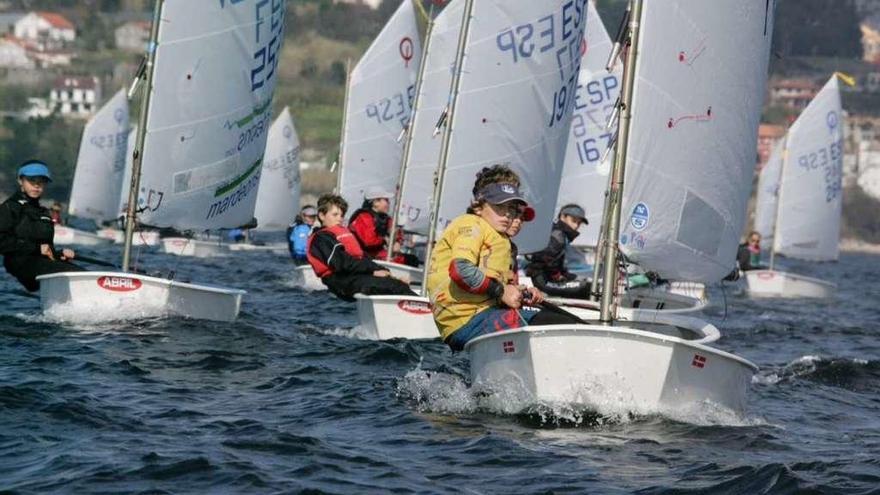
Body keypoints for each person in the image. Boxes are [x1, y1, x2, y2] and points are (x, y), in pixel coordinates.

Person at [426, 165, 579, 352]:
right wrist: (501, 291)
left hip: (483, 316)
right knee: (555, 324)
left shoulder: (500, 238)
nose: (507, 215)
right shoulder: (471, 224)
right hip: (467, 321)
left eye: (511, 209)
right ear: (478, 207)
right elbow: (461, 270)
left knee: (567, 323)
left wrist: (520, 293)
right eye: (500, 207)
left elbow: (496, 287)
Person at [306, 193, 416, 301]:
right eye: (335, 215)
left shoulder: (340, 232)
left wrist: (386, 273)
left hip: (353, 277)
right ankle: (426, 313)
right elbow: (343, 263)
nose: (340, 219)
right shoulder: (321, 238)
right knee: (396, 287)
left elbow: (363, 258)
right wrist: (372, 271)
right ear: (321, 215)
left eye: (341, 215)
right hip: (341, 281)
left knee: (398, 284)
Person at [0, 161, 85, 292]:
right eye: (31, 180)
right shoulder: (9, 207)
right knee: (75, 275)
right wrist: (36, 248)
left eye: (41, 181)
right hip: (20, 262)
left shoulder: (44, 212)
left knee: (81, 273)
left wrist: (58, 254)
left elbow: (46, 248)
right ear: (20, 180)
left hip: (41, 262)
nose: (36, 185)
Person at [524, 203, 592, 299]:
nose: (576, 225)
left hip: (543, 277)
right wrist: (557, 275)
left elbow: (554, 261)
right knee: (586, 288)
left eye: (579, 223)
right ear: (562, 217)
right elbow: (546, 258)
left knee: (581, 282)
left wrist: (566, 275)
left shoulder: (559, 233)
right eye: (573, 221)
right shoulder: (558, 235)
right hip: (541, 280)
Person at [348, 187, 419, 267]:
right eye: (386, 200)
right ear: (375, 202)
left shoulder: (386, 218)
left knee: (412, 259)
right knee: (410, 261)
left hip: (382, 256)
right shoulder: (363, 217)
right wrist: (385, 240)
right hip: (366, 258)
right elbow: (369, 241)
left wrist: (397, 242)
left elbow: (397, 232)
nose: (388, 203)